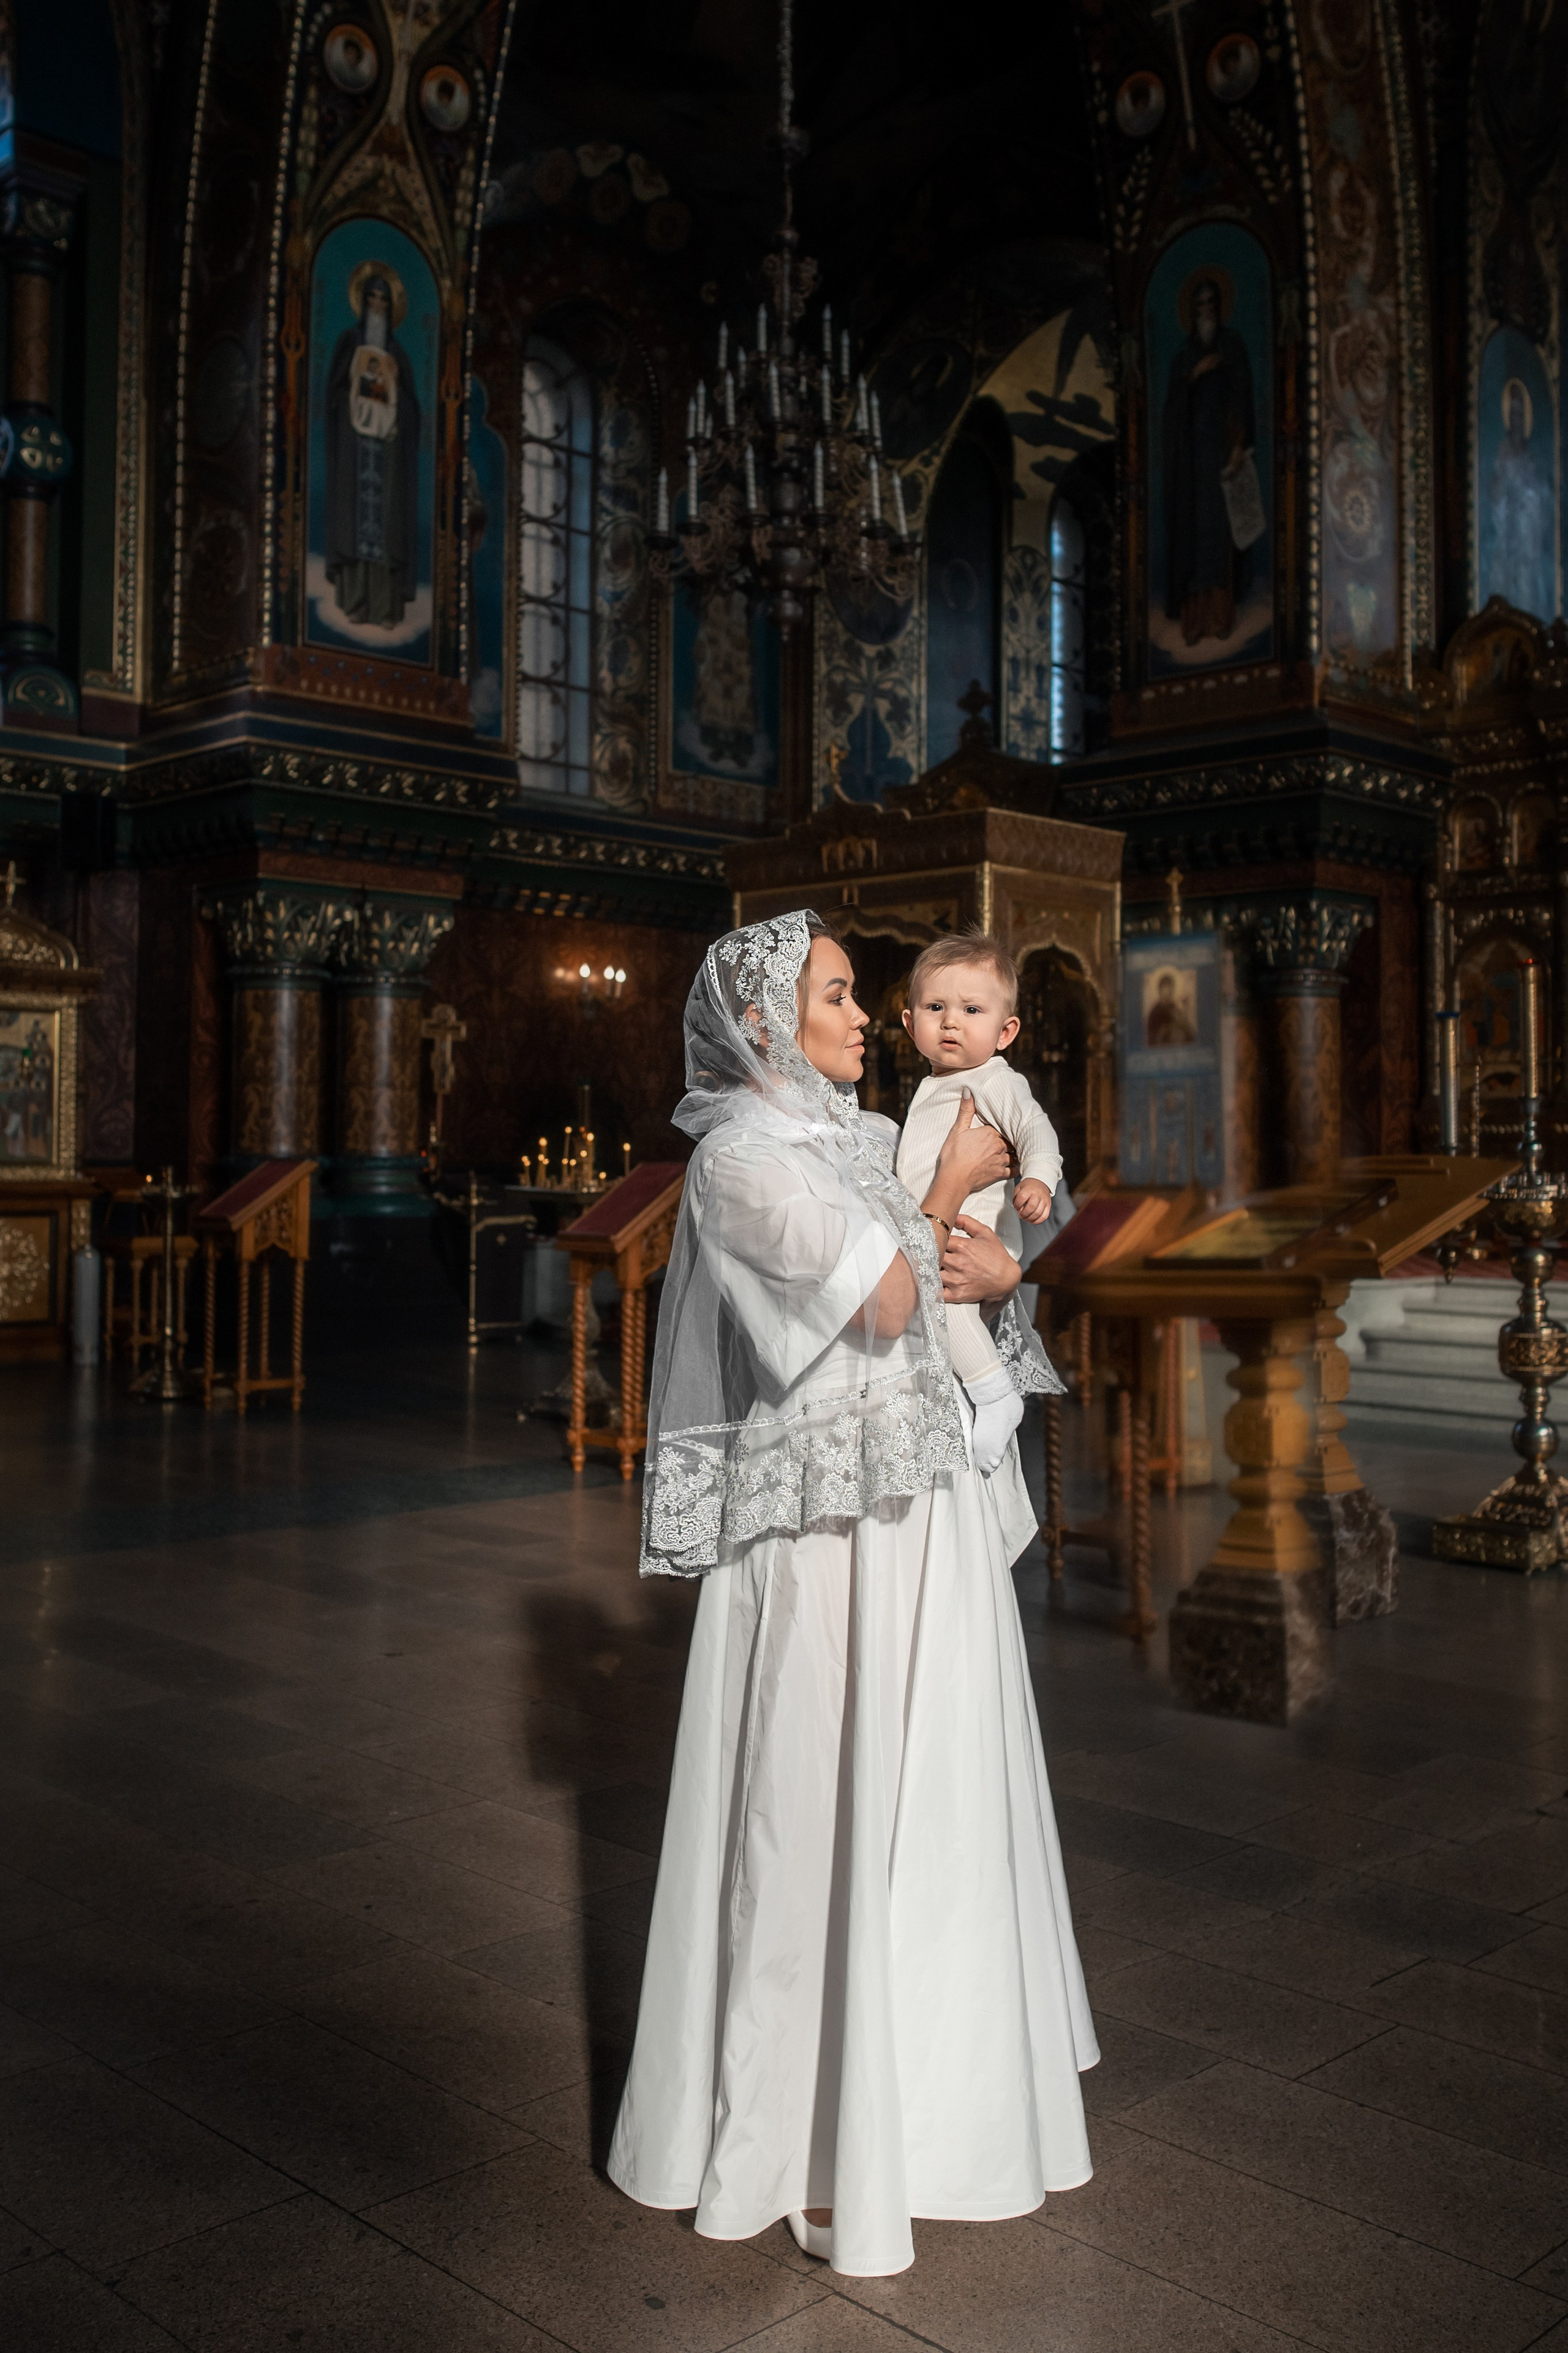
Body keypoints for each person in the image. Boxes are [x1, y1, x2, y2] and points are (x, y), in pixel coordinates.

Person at [608, 910, 1096, 2279]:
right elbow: (880, 1304)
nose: (865, 1014)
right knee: (815, 1799)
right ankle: (808, 2135)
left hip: (922, 1499)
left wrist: (1001, 1260)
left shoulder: (862, 1133)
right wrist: (951, 1193)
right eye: (836, 993)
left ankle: (937, 2110)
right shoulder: (739, 1161)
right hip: (826, 1522)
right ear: (768, 1019)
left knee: (936, 1788)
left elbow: (963, 1279)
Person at [894, 932, 1065, 1475]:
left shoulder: (994, 1079)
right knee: (931, 1308)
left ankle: (996, 1395)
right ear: (909, 1024)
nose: (951, 1022)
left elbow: (1037, 1131)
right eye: (935, 1008)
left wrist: (1038, 1180)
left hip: (973, 1231)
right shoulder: (936, 1084)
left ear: (1005, 1031)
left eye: (971, 1010)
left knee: (940, 1303)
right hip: (941, 1227)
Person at [323, 271, 421, 629]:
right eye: (372, 299)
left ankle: (385, 609)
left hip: (387, 454)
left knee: (386, 531)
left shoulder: (398, 355)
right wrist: (353, 399)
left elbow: (411, 409)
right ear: (363, 303)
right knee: (354, 525)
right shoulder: (350, 342)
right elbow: (334, 395)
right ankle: (355, 601)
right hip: (355, 448)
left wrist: (394, 403)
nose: (378, 306)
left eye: (383, 301)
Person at [1163, 275, 1255, 646]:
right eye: (1200, 305)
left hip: (1221, 451)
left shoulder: (1231, 346)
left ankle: (1219, 617)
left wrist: (1238, 445)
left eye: (1211, 304)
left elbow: (1242, 397)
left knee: (1220, 534)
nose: (1206, 312)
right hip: (1192, 462)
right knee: (1194, 536)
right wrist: (1194, 377)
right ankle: (1194, 621)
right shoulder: (1184, 357)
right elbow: (1172, 411)